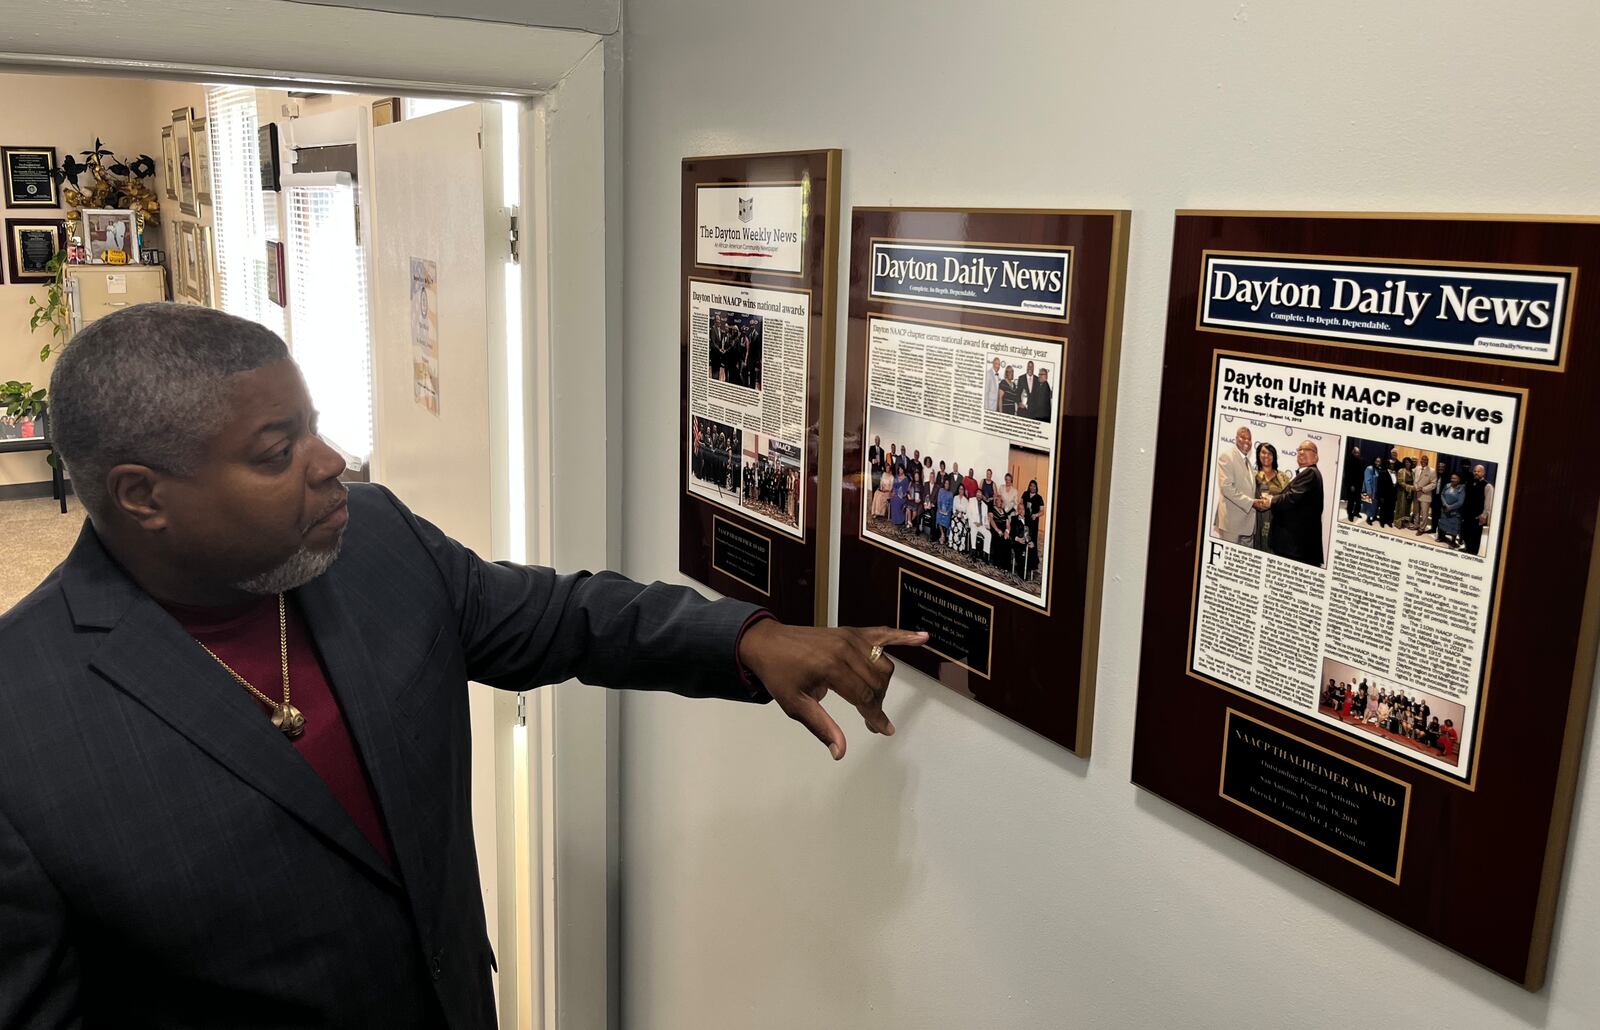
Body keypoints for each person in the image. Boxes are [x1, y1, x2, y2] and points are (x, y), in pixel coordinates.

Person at [0, 304, 927, 1028]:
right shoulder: (22, 723)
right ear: (141, 496)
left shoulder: (379, 546)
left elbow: (560, 617)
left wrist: (744, 638)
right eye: (278, 453)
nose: (329, 464)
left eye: (313, 427)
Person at [1255, 439, 1324, 566]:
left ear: (1315, 457)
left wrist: (1271, 500)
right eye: (1299, 449)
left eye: (1306, 450)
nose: (1301, 452)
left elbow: (1291, 497)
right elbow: (1293, 498)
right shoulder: (1308, 474)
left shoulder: (1310, 473)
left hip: (1295, 546)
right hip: (1293, 545)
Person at [1214, 425, 1255, 545]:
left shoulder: (1248, 462)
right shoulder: (1227, 456)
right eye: (1243, 438)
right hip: (1231, 524)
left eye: (1249, 439)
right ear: (1236, 439)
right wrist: (1252, 502)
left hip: (1245, 525)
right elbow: (1227, 488)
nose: (1247, 441)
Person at [1251, 441, 1291, 551]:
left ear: (1274, 457)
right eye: (1263, 452)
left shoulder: (1282, 477)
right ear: (1258, 455)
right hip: (1255, 520)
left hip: (1276, 521)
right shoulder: (1252, 475)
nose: (1266, 456)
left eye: (1270, 453)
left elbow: (1289, 499)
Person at [1461, 464, 1494, 556]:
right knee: (1466, 534)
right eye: (1475, 471)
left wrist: (1484, 515)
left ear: (1483, 473)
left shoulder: (1488, 486)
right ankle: (1467, 549)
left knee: (1475, 537)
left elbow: (1488, 504)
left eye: (1478, 471)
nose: (1476, 473)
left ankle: (1473, 554)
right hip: (1467, 514)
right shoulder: (1470, 483)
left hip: (1477, 516)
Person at [1438, 472, 1465, 547]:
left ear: (1459, 480)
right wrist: (1445, 504)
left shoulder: (1462, 488)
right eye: (1452, 478)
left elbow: (1460, 502)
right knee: (1443, 523)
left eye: (1455, 478)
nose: (1452, 480)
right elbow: (1442, 495)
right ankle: (1442, 537)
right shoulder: (1447, 485)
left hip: (1455, 512)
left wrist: (1450, 507)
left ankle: (1453, 541)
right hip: (1445, 509)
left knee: (1454, 526)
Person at [1412, 453, 1437, 535]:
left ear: (1428, 461)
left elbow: (1434, 484)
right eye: (1422, 459)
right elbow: (1414, 479)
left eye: (1425, 460)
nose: (1423, 461)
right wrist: (1415, 487)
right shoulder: (1417, 468)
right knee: (1416, 511)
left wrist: (1423, 489)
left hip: (1425, 495)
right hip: (1416, 493)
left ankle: (1422, 529)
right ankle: (1416, 525)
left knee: (1424, 513)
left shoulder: (1432, 471)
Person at [1342, 445, 1364, 521]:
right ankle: (1350, 514)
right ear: (1353, 452)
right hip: (1352, 484)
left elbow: (1361, 473)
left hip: (1359, 484)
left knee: (1358, 500)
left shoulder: (1360, 460)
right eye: (1356, 453)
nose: (1358, 454)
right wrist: (1351, 485)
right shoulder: (1349, 460)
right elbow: (1348, 474)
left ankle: (1356, 512)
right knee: (1351, 500)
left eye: (1358, 453)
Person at [1374, 457, 1397, 528]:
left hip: (1392, 495)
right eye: (1390, 464)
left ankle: (1389, 521)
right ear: (1388, 465)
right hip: (1384, 495)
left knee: (1391, 509)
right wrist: (1381, 496)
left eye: (1393, 464)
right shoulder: (1383, 472)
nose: (1392, 465)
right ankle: (1382, 522)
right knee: (1383, 509)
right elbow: (1380, 485)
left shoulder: (1396, 473)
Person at [1395, 457, 1415, 529]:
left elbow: (1414, 482)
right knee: (1401, 507)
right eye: (1406, 462)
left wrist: (1412, 488)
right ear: (1404, 463)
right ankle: (1398, 522)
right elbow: (1400, 482)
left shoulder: (1412, 472)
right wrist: (1409, 487)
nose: (1408, 463)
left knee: (1407, 507)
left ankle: (1405, 522)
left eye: (1409, 462)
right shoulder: (1401, 471)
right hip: (1402, 492)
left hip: (1410, 493)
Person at [1361, 456, 1380, 522]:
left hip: (1375, 490)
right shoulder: (1369, 468)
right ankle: (1368, 519)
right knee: (1368, 504)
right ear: (1374, 461)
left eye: (1379, 461)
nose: (1378, 463)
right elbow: (1367, 480)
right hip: (1369, 490)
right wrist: (1369, 491)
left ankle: (1372, 516)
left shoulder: (1377, 469)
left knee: (1373, 504)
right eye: (1377, 461)